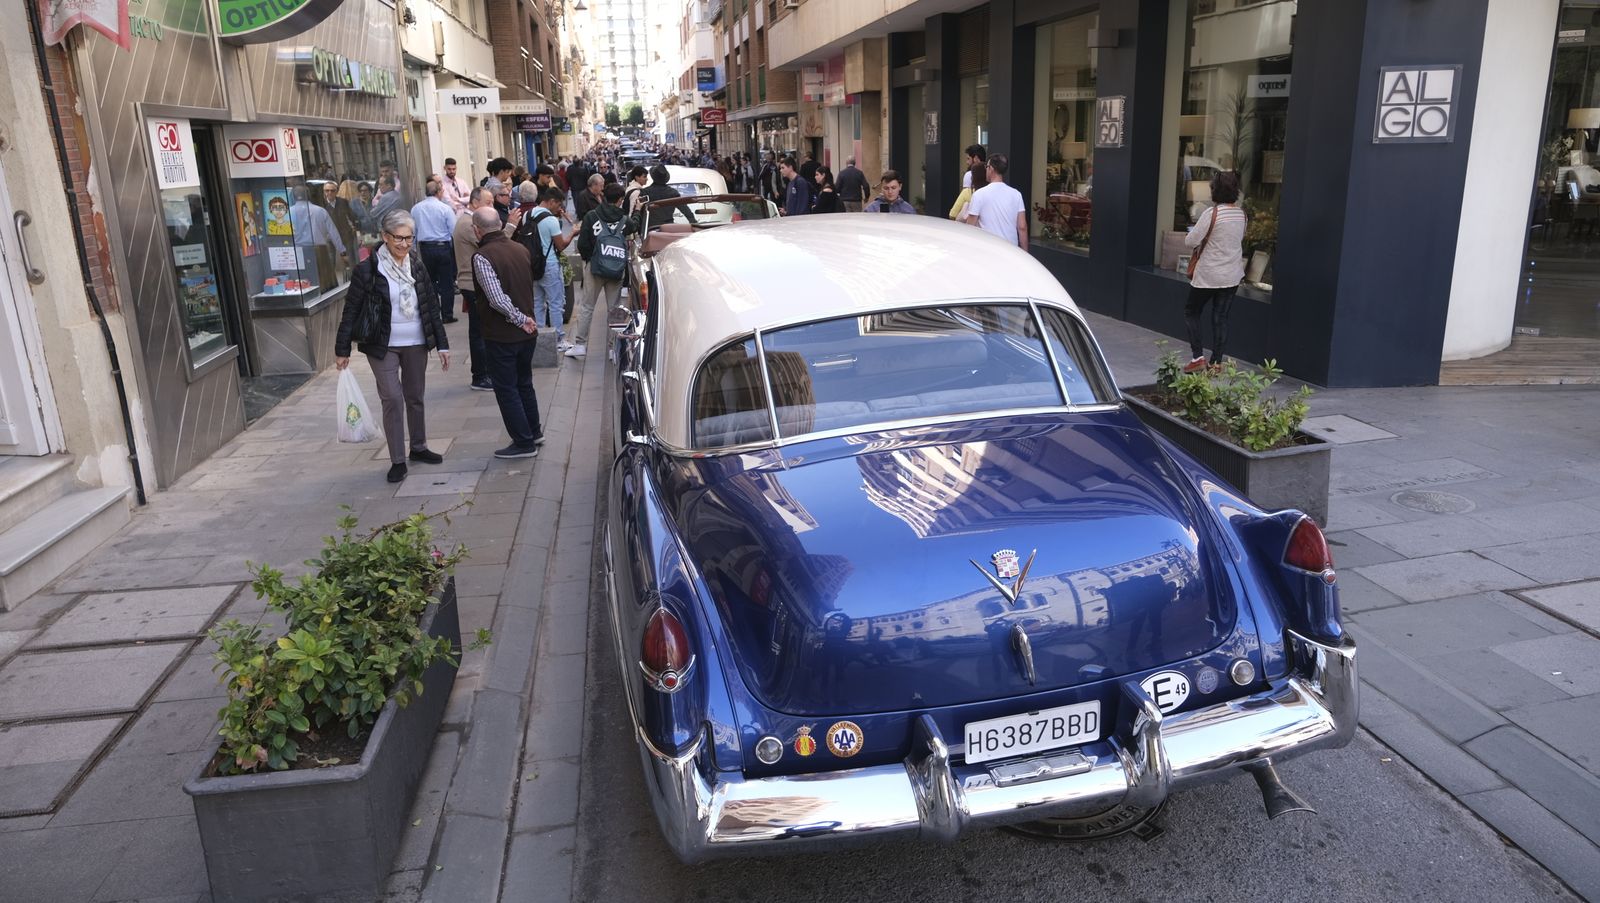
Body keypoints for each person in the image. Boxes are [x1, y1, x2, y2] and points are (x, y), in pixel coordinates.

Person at [334, 209, 450, 483]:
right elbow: (350, 310)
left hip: (416, 342)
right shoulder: (368, 270)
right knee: (392, 399)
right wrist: (342, 349)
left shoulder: (417, 265)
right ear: (385, 237)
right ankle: (397, 459)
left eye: (409, 238)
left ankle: (418, 447)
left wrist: (442, 345)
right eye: (398, 238)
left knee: (415, 396)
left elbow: (431, 306)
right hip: (382, 344)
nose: (404, 244)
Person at [470, 207, 545, 458]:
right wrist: (526, 319)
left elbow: (496, 299)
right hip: (527, 332)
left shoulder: (483, 256)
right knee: (525, 383)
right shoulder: (519, 248)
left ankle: (524, 442)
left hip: (504, 334)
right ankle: (534, 432)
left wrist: (519, 319)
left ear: (477, 230)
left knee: (507, 388)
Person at [1182, 171, 1247, 373]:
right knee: (1221, 318)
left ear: (1215, 190)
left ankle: (1197, 357)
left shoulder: (1211, 213)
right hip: (1232, 275)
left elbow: (1190, 241)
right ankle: (1216, 363)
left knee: (1192, 311)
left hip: (1209, 275)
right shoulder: (1242, 214)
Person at [515, 185, 580, 351]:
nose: (559, 209)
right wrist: (572, 232)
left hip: (533, 265)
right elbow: (560, 245)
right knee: (556, 303)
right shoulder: (551, 220)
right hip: (550, 264)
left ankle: (540, 336)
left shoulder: (527, 215)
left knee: (537, 303)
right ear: (551, 202)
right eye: (558, 205)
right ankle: (558, 338)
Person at [571, 182, 628, 359]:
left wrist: (592, 259)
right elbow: (635, 227)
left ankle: (580, 345)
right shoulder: (624, 219)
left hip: (595, 268)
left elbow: (582, 244)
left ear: (603, 197)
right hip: (617, 268)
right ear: (620, 200)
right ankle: (613, 349)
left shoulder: (591, 215)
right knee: (615, 308)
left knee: (587, 306)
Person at [411, 179, 460, 324]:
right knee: (447, 283)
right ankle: (447, 314)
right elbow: (453, 230)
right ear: (439, 192)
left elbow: (413, 230)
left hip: (425, 248)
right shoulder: (445, 208)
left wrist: (413, 250)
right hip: (443, 247)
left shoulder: (416, 209)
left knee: (430, 282)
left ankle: (434, 314)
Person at [964, 153, 1028, 251]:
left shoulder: (979, 194)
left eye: (987, 166)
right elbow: (1022, 227)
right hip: (1012, 250)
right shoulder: (1016, 194)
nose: (986, 169)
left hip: (987, 251)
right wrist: (1025, 254)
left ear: (991, 169)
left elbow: (970, 227)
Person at [288, 185, 348, 290]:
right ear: (309, 195)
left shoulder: (288, 212)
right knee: (324, 283)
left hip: (298, 251)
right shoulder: (320, 211)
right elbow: (333, 232)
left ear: (293, 196)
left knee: (303, 283)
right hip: (320, 250)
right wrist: (342, 251)